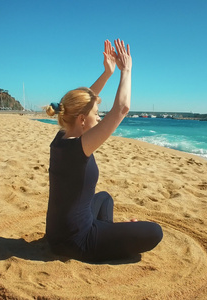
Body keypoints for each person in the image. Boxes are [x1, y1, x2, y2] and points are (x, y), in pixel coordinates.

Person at [45, 39, 163, 262]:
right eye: (96, 112)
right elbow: (122, 108)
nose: (98, 116)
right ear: (82, 119)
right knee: (154, 232)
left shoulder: (62, 137)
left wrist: (107, 73)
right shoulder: (79, 148)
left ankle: (109, 235)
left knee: (105, 198)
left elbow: (80, 101)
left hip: (56, 234)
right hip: (77, 240)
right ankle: (107, 241)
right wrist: (126, 70)